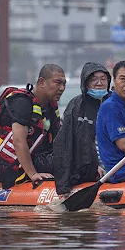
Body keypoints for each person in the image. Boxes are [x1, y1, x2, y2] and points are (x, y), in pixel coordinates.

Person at [0, 64, 65, 189]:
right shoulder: (22, 103)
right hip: (11, 167)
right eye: (58, 83)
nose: (62, 88)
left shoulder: (50, 107)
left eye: (64, 84)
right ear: (42, 82)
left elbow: (60, 140)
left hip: (38, 158)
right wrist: (33, 174)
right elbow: (18, 141)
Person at [53, 62, 109, 195]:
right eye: (94, 79)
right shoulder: (76, 106)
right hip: (86, 167)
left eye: (103, 79)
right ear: (85, 83)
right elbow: (68, 143)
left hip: (113, 161)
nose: (99, 83)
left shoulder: (114, 103)